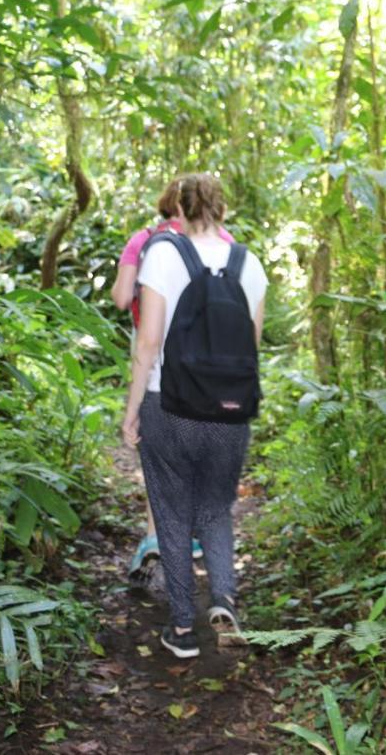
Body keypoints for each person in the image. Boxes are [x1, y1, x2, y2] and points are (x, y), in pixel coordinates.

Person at [121, 173, 267, 659]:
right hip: (229, 412)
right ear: (223, 211)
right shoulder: (250, 264)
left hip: (169, 403)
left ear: (178, 211)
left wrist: (132, 410)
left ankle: (182, 627)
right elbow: (251, 348)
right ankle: (223, 600)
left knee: (172, 513)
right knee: (215, 509)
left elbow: (147, 344)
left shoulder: (162, 253)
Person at [111, 181, 233, 577]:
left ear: (169, 204)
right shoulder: (223, 240)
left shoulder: (143, 240)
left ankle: (154, 536)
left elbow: (120, 296)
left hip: (156, 353)